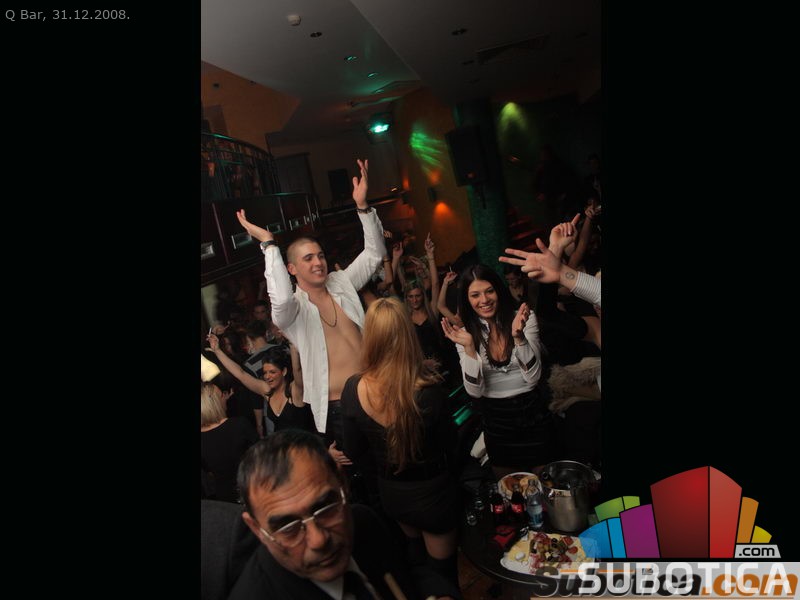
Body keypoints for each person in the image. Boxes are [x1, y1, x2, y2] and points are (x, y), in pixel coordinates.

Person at [235, 159, 386, 468]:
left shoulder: (342, 282)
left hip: (376, 392)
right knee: (356, 477)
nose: (318, 262)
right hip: (337, 408)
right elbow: (280, 300)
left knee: (390, 463)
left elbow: (374, 255)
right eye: (307, 259)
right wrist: (269, 245)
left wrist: (363, 207)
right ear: (291, 269)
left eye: (320, 255)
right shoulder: (293, 311)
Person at [230, 430, 460, 599]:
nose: (318, 540)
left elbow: (405, 572)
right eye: (288, 527)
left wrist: (439, 593)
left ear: (343, 483)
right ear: (256, 529)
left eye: (325, 508)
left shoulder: (363, 521)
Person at [341, 297, 460, 587]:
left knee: (416, 563)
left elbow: (355, 450)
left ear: (370, 336)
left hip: (394, 495)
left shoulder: (353, 388)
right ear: (407, 334)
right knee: (444, 578)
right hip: (433, 495)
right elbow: (451, 444)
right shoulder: (429, 388)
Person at [440, 264, 556, 477]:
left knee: (546, 483)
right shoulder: (464, 334)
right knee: (510, 488)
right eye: (475, 295)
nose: (484, 300)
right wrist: (469, 349)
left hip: (533, 413)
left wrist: (519, 338)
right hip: (496, 421)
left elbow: (533, 378)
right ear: (467, 299)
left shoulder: (524, 318)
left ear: (499, 290)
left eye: (489, 291)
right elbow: (475, 392)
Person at [207, 336, 316, 436]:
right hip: (282, 447)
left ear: (284, 371)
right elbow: (241, 374)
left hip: (305, 446)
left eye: (272, 372)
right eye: (265, 372)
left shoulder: (295, 390)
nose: (267, 376)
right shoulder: (267, 391)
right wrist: (217, 351)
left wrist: (292, 343)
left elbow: (297, 369)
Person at [500, 238, 601, 308]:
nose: (510, 282)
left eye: (512, 279)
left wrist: (561, 272)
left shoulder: (529, 285)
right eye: (508, 279)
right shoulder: (507, 292)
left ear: (519, 276)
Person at [201, 382, 259, 503]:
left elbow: (207, 471)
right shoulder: (239, 425)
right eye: (222, 395)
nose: (226, 397)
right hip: (252, 489)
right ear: (215, 402)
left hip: (224, 497)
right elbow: (262, 456)